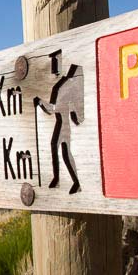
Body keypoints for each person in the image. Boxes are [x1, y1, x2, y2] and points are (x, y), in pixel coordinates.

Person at [33, 49, 84, 193]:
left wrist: (40, 102)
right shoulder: (61, 85)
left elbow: (53, 109)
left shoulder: (64, 85)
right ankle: (59, 179)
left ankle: (75, 182)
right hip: (61, 123)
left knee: (65, 153)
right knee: (60, 150)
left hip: (65, 124)